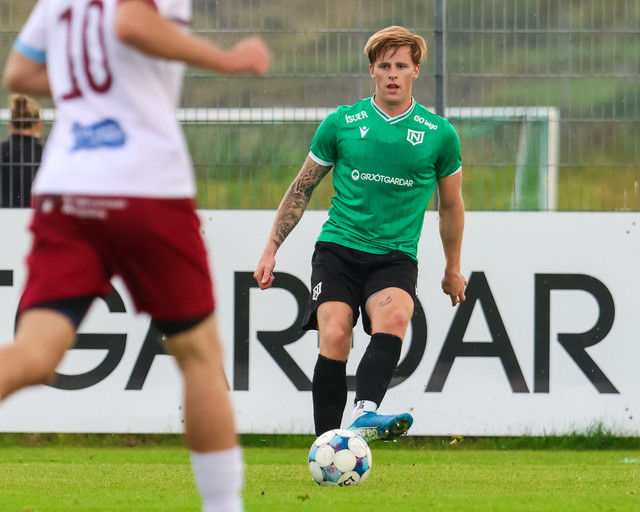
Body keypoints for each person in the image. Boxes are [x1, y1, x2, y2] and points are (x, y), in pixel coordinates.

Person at [0, 1, 270, 512]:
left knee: (34, 354)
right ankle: (223, 505)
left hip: (65, 187)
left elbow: (19, 72)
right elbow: (129, 21)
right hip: (144, 186)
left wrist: (92, 92)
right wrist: (226, 60)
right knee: (200, 354)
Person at [254, 26, 466, 443]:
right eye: (384, 66)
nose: (392, 73)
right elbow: (301, 189)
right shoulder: (342, 123)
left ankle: (365, 412)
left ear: (415, 71)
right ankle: (327, 448)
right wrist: (270, 248)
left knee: (396, 317)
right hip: (338, 249)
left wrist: (452, 267)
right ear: (372, 70)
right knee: (335, 334)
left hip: (395, 255)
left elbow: (451, 205)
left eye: (401, 65)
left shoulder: (439, 134)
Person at [1, 93, 43, 207]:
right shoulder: (48, 154)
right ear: (39, 125)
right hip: (37, 214)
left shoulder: (2, 151)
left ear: (10, 124)